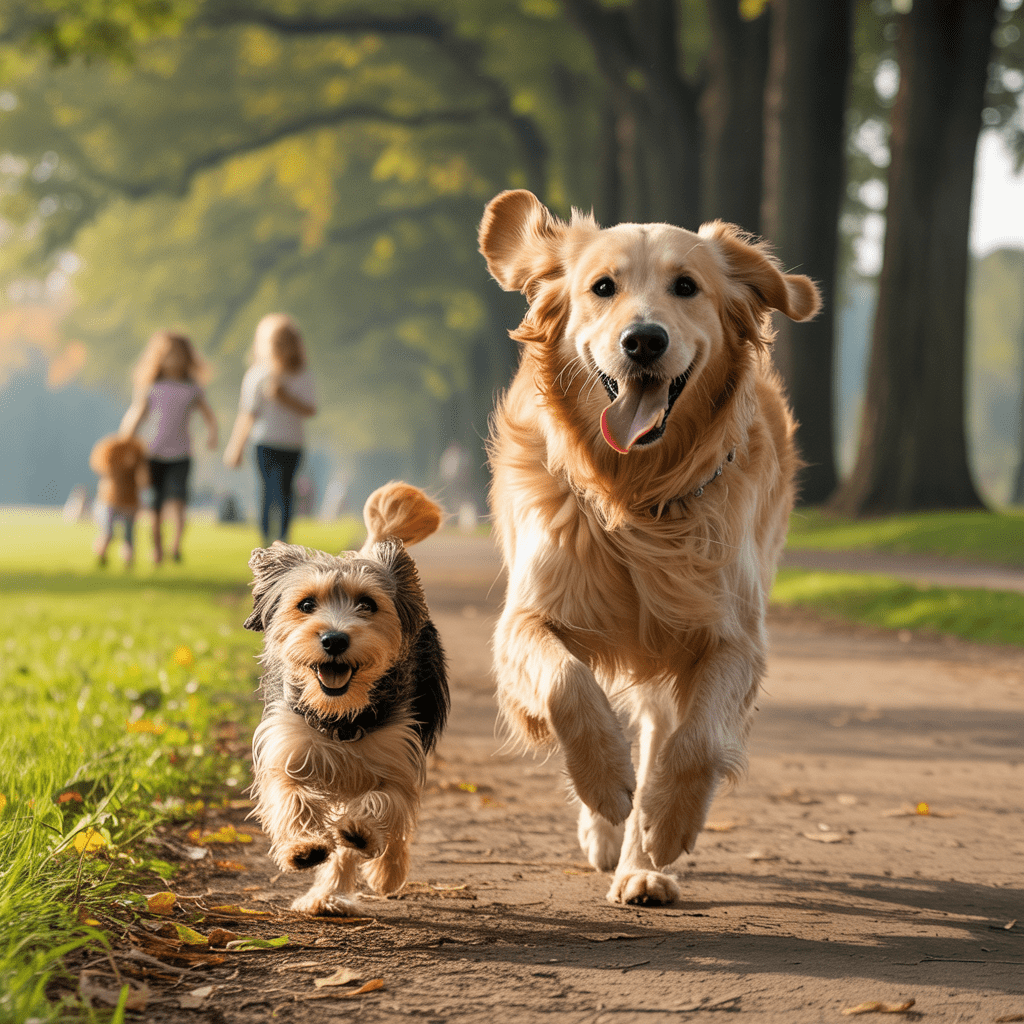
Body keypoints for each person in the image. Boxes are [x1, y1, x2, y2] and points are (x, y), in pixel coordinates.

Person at [120, 330, 218, 564]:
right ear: (159, 357)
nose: (174, 359)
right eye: (169, 354)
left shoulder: (191, 388)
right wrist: (126, 440)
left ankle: (176, 545)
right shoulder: (152, 387)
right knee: (153, 505)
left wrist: (212, 434)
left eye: (179, 354)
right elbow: (137, 414)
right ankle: (157, 548)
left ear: (188, 358)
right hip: (152, 454)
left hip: (181, 454)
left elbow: (208, 415)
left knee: (178, 501)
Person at [223, 313, 316, 545]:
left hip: (292, 443)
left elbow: (310, 410)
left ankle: (283, 537)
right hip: (264, 443)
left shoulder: (301, 375)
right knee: (267, 490)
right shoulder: (256, 375)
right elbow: (247, 415)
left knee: (285, 491)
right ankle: (266, 538)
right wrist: (235, 447)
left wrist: (284, 397)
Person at [89, 434, 148, 567]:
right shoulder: (110, 449)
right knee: (108, 532)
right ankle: (101, 555)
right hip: (109, 499)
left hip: (130, 499)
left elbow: (144, 478)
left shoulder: (138, 451)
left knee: (129, 535)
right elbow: (100, 466)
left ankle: (128, 561)